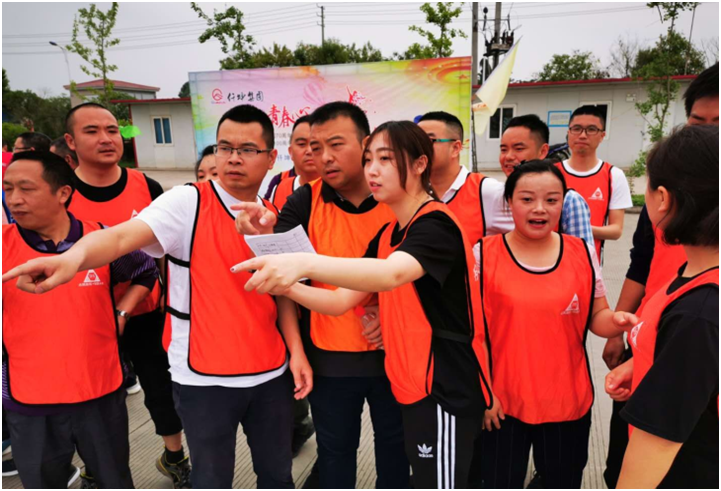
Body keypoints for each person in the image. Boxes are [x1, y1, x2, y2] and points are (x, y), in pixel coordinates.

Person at [3, 105, 313, 489]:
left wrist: (296, 352)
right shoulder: (187, 203)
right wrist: (73, 258)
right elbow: (120, 236)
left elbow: (283, 294)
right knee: (212, 479)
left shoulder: (273, 215)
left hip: (270, 371)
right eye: (225, 147)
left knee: (278, 475)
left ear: (270, 158)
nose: (233, 158)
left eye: (247, 149)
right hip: (203, 378)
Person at [235, 120, 494, 489]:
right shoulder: (389, 233)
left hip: (443, 391)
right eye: (369, 159)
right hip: (412, 386)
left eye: (385, 159)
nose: (372, 170)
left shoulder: (435, 225)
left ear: (419, 164)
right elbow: (338, 301)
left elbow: (391, 274)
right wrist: (283, 283)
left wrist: (304, 264)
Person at [234, 102, 409, 489]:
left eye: (336, 144)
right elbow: (283, 286)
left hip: (395, 356)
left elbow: (418, 275)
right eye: (315, 147)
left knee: (397, 455)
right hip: (330, 359)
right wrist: (296, 352)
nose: (323, 157)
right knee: (335, 455)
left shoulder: (400, 201)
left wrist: (392, 314)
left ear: (366, 144)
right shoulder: (304, 202)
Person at [2, 151, 159, 489]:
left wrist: (122, 312)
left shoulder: (99, 240)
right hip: (29, 400)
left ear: (63, 193)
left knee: (114, 480)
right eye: (8, 188)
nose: (14, 199)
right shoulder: (4, 247)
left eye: (26, 188)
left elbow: (146, 271)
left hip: (100, 392)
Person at [601, 62, 719, 489]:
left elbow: (657, 444)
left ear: (663, 199)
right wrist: (643, 362)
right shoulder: (694, 276)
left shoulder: (698, 313)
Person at [478, 159, 629, 489]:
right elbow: (473, 335)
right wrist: (485, 395)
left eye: (551, 200)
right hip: (503, 403)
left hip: (567, 400)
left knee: (561, 481)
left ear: (563, 203)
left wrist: (621, 321)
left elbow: (597, 317)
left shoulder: (580, 252)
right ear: (509, 202)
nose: (540, 209)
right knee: (499, 480)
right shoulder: (483, 255)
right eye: (527, 199)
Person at [61, 102, 189, 488]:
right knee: (93, 398)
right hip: (86, 317)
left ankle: (175, 456)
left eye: (112, 130)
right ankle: (95, 464)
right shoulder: (61, 193)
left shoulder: (146, 186)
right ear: (70, 141)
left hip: (147, 310)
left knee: (160, 387)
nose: (106, 138)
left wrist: (169, 300)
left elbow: (166, 250)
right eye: (92, 131)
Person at [555, 105, 632, 261]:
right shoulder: (551, 173)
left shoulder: (613, 175)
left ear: (602, 135)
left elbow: (616, 230)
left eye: (591, 129)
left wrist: (579, 228)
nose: (583, 135)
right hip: (550, 261)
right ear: (568, 133)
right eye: (576, 129)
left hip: (590, 264)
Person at [269, 115, 320, 210]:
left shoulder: (341, 189)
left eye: (315, 144)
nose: (309, 151)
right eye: (302, 144)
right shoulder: (279, 186)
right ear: (290, 152)